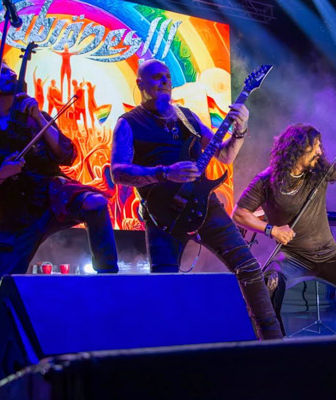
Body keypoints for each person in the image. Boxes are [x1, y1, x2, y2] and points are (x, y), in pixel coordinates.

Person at [110, 59, 281, 340]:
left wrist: (240, 130)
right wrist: (165, 172)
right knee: (165, 286)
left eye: (167, 77)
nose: (164, 81)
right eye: (156, 77)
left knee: (249, 267)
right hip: (162, 215)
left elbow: (224, 155)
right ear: (140, 84)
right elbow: (118, 172)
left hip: (205, 204)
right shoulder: (128, 123)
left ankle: (274, 341)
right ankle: (171, 351)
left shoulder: (186, 116)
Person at [0, 58, 119, 282]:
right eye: (1, 72)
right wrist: (1, 174)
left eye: (10, 71)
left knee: (96, 203)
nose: (11, 74)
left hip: (54, 196)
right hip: (16, 215)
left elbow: (67, 155)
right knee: (6, 285)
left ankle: (108, 278)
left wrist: (38, 118)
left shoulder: (34, 116)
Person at [233, 116, 336, 335]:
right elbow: (239, 213)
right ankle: (272, 346)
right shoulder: (267, 180)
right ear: (297, 149)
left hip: (329, 255)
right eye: (316, 146)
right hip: (292, 256)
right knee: (269, 286)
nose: (320, 151)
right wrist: (272, 230)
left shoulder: (317, 172)